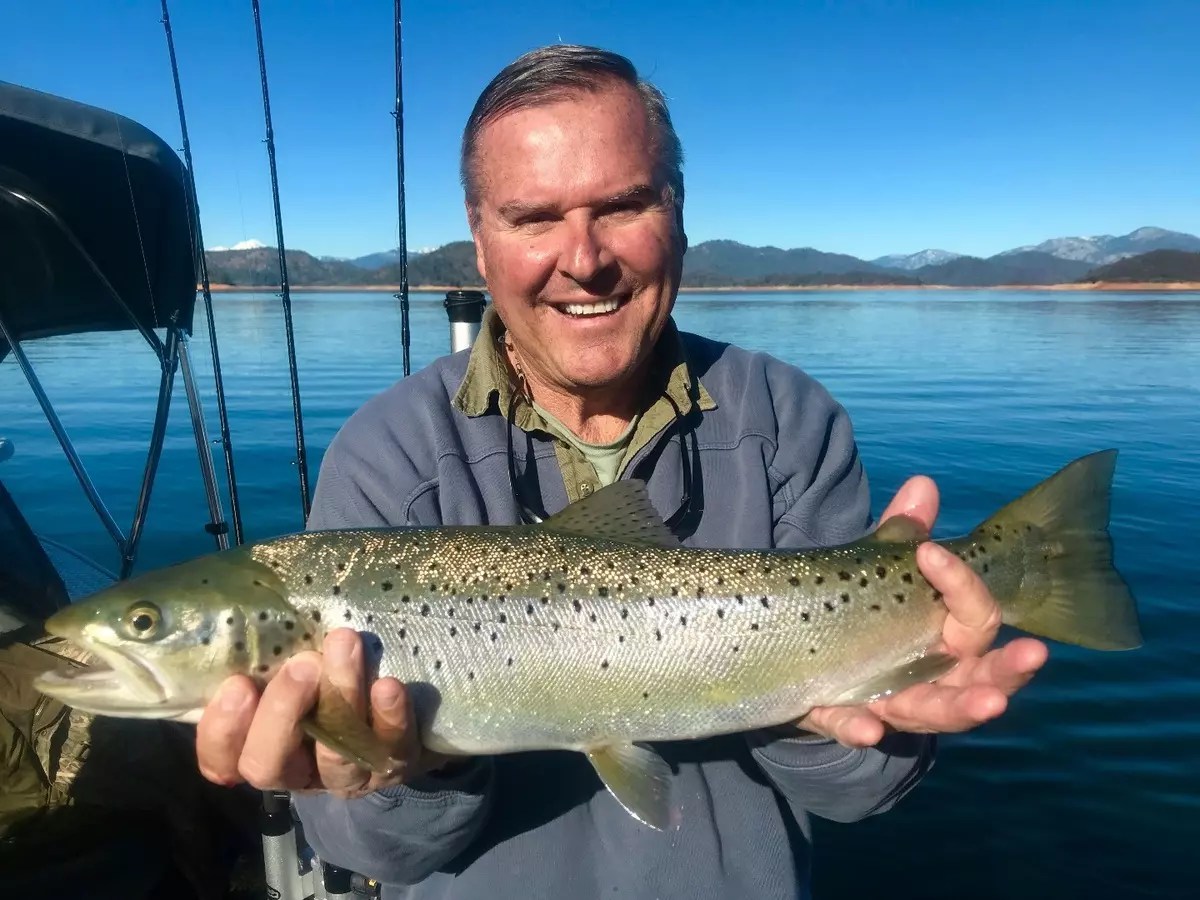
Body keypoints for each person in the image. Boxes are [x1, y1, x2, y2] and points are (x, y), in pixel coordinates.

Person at [195, 45, 1048, 898]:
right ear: (481, 241)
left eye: (624, 204)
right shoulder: (388, 455)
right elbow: (382, 856)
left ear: (677, 214)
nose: (585, 258)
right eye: (533, 217)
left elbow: (859, 794)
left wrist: (851, 713)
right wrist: (393, 771)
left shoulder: (786, 419)